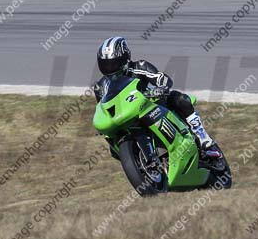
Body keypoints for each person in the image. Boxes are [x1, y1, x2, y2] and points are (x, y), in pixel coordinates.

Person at [93, 36, 221, 157]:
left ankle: (204, 138)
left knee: (180, 99)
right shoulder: (100, 86)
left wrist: (161, 88)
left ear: (124, 58)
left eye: (114, 63)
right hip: (124, 118)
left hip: (151, 105)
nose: (110, 68)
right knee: (114, 151)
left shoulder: (139, 67)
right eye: (106, 64)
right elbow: (102, 108)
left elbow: (161, 78)